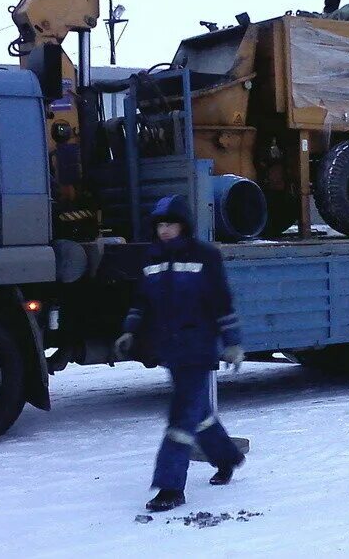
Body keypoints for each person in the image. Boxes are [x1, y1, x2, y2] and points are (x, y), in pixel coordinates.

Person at [115, 194, 246, 512]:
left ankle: (170, 487)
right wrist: (129, 330)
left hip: (199, 347)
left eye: (170, 223)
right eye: (160, 224)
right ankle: (226, 457)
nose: (165, 230)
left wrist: (232, 342)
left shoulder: (206, 256)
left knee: (180, 417)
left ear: (183, 224)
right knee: (196, 412)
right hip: (170, 348)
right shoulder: (151, 258)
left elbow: (221, 302)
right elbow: (140, 301)